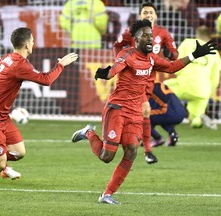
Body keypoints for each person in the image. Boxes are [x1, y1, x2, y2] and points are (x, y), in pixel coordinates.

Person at [71, 19, 216, 204]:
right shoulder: (127, 55)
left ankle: (107, 194)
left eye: (152, 36)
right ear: (137, 39)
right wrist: (106, 73)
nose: (151, 39)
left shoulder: (152, 59)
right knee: (106, 157)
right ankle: (88, 132)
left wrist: (194, 55)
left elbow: (171, 66)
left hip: (135, 113)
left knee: (131, 151)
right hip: (117, 109)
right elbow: (115, 69)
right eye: (146, 35)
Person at [0, 27, 78, 207]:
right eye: (33, 40)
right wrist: (61, 65)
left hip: (2, 117)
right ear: (27, 45)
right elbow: (46, 80)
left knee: (18, 152)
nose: (34, 43)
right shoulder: (20, 64)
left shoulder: (7, 57)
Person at [113, 2, 178, 164]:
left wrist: (171, 54)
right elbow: (117, 44)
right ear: (140, 16)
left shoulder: (162, 33)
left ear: (155, 16)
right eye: (145, 12)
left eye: (151, 12)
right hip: (133, 79)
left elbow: (174, 54)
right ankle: (148, 151)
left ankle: (135, 141)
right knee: (145, 109)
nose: (148, 14)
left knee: (141, 113)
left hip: (149, 80)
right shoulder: (132, 32)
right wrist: (119, 61)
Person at [164, 25, 221, 128]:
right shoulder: (215, 53)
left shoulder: (187, 43)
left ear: (196, 35)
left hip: (183, 85)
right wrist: (209, 94)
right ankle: (196, 118)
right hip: (202, 91)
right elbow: (215, 78)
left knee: (159, 89)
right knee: (195, 119)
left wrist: (180, 75)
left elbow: (177, 62)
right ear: (209, 38)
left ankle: (154, 114)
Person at [149, 82, 187, 147]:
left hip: (170, 112)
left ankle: (158, 139)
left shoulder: (146, 87)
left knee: (141, 117)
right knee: (160, 116)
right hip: (182, 111)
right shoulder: (158, 84)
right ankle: (172, 133)